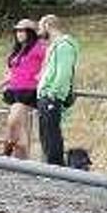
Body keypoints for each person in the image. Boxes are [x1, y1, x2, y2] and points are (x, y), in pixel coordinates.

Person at [0, 19, 46, 159]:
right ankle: (22, 161)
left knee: (13, 121)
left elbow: (49, 64)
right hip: (14, 90)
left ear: (30, 32)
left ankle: (6, 151)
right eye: (17, 31)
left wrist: (40, 77)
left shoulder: (39, 47)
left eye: (22, 30)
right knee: (20, 128)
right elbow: (11, 75)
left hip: (29, 91)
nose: (18, 34)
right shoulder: (18, 50)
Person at [36, 14, 79, 166]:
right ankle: (49, 167)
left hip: (52, 97)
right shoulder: (56, 46)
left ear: (48, 25)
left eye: (41, 28)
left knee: (52, 135)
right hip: (45, 96)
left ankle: (55, 168)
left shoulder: (64, 46)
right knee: (45, 135)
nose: (40, 32)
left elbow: (63, 73)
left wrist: (52, 93)